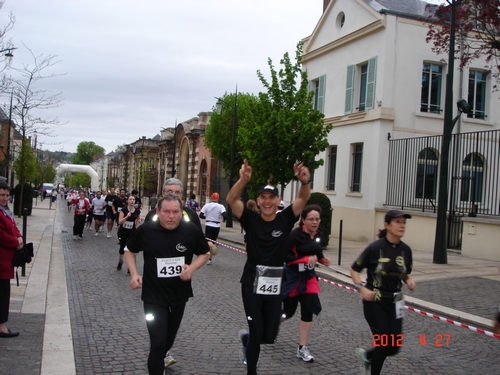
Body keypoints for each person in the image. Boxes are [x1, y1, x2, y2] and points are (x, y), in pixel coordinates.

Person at [226, 158, 311, 375]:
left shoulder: (285, 220)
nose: (266, 201)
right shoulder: (250, 219)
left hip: (275, 282)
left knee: (269, 335)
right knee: (256, 331)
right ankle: (252, 371)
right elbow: (231, 198)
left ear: (278, 200)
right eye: (263, 197)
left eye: (271, 198)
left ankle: (246, 340)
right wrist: (243, 180)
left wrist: (305, 181)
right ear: (258, 200)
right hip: (252, 281)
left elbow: (303, 199)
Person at [124, 194, 209, 375]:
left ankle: (160, 360)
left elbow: (204, 254)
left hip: (179, 296)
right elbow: (129, 250)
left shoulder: (190, 231)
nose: (171, 216)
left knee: (168, 341)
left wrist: (191, 268)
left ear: (181, 212)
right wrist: (134, 274)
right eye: (167, 212)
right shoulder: (147, 230)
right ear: (158, 212)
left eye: (175, 212)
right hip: (153, 296)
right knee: (158, 342)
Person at [143, 178, 204, 368]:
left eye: (177, 192)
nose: (173, 195)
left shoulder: (191, 217)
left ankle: (164, 349)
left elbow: (199, 244)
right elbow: (142, 242)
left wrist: (192, 266)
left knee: (170, 332)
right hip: (155, 288)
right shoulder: (152, 216)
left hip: (179, 287)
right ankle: (159, 352)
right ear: (162, 194)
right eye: (169, 191)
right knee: (158, 338)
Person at [350, 210, 416, 375]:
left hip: (395, 302)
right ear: (387, 225)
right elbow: (354, 269)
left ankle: (367, 355)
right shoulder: (375, 247)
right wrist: (361, 288)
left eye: (404, 223)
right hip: (374, 300)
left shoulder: (406, 250)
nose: (402, 226)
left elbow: (404, 272)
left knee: (394, 347)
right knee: (384, 344)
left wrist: (408, 280)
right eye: (397, 222)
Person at [281, 204, 331, 363]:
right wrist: (303, 260)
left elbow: (317, 251)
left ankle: (302, 347)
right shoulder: (295, 235)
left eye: (317, 219)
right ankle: (270, 323)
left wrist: (323, 260)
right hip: (293, 276)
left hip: (309, 277)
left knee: (307, 310)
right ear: (303, 220)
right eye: (311, 219)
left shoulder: (318, 235)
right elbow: (285, 256)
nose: (315, 222)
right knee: (288, 312)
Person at [0, 181, 23, 338]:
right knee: (2, 294)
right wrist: (16, 243)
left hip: (6, 260)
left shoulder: (6, 211)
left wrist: (19, 235)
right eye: (2, 195)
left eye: (7, 195)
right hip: (1, 260)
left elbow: (12, 226)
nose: (5, 198)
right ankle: (1, 326)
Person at [199, 192, 227, 265]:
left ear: (212, 198)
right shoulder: (221, 206)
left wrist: (207, 217)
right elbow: (225, 214)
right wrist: (224, 219)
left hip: (209, 224)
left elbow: (201, 215)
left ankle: (212, 248)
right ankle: (210, 259)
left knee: (208, 241)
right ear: (218, 198)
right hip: (216, 226)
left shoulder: (207, 205)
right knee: (213, 241)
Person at [116, 195, 141, 271]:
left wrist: (138, 220)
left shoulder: (137, 211)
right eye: (130, 199)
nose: (132, 201)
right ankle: (120, 261)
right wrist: (127, 217)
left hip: (131, 232)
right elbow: (120, 222)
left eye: (133, 199)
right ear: (127, 201)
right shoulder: (123, 210)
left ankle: (129, 267)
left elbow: (136, 221)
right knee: (122, 248)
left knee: (130, 249)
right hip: (123, 231)